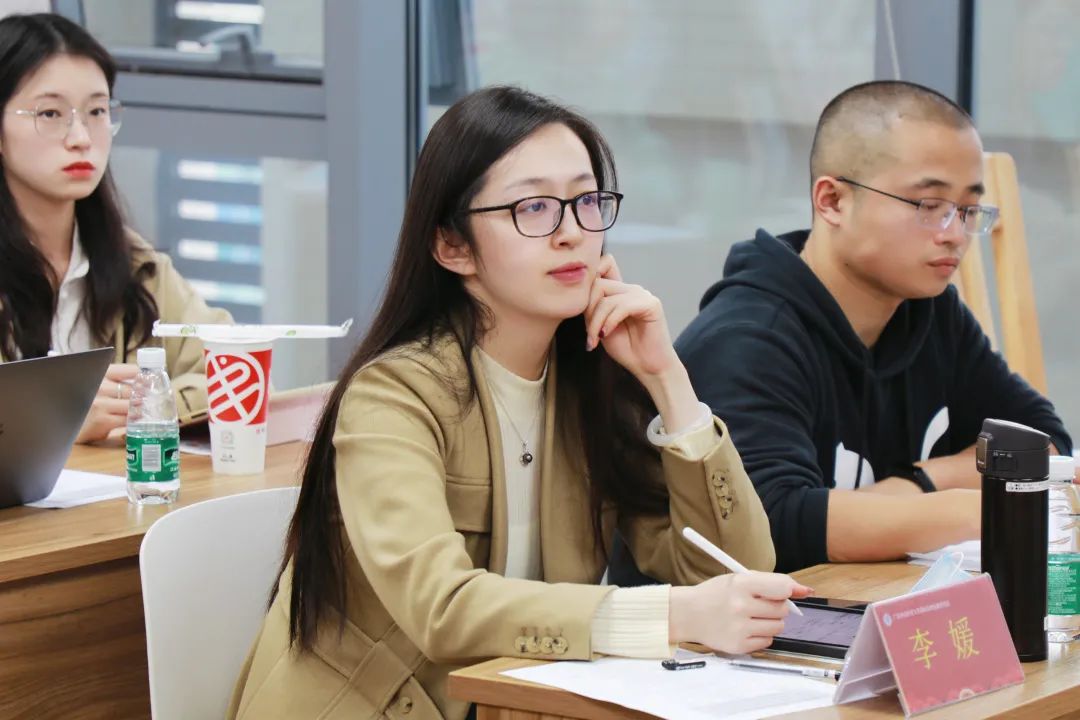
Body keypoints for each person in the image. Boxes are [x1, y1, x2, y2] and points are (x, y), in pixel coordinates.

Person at [228, 86, 806, 720]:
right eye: (534, 208)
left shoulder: (591, 386)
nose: (571, 233)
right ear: (453, 246)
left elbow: (735, 571)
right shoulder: (392, 394)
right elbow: (442, 609)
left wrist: (668, 381)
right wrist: (670, 615)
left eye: (586, 201)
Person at [676, 80, 1072, 573]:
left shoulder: (931, 312)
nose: (954, 235)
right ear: (833, 201)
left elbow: (1042, 444)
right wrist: (960, 510)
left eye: (968, 210)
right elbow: (769, 524)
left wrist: (921, 482)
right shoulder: (747, 339)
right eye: (929, 206)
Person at [0, 13, 230, 443]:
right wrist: (52, 421)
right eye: (50, 113)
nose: (81, 137)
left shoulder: (139, 266)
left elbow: (233, 370)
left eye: (97, 111)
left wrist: (137, 405)